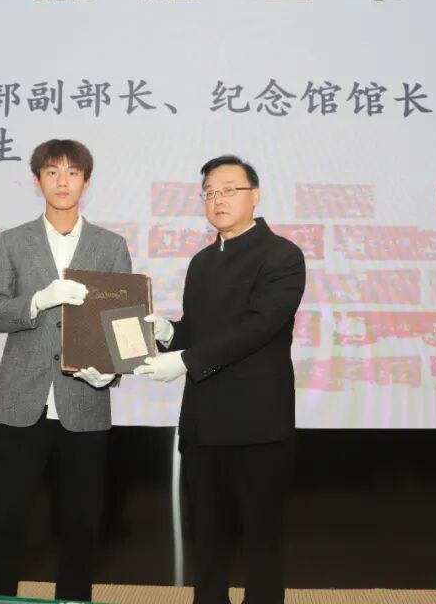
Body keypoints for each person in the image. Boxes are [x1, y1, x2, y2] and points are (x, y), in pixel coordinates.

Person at [135, 154, 305, 604]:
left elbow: (257, 327)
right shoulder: (202, 261)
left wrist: (186, 361)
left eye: (230, 190)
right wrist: (169, 334)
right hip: (203, 423)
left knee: (261, 540)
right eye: (210, 193)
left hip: (258, 425)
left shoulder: (283, 255)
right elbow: (199, 332)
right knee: (207, 536)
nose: (218, 200)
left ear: (255, 195)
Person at [0, 138, 131, 603]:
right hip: (19, 404)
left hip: (84, 405)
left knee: (80, 526)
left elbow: (122, 325)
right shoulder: (12, 241)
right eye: (52, 172)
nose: (63, 182)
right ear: (37, 180)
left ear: (87, 181)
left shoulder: (111, 246)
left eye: (72, 172)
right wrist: (37, 301)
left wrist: (112, 373)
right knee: (4, 521)